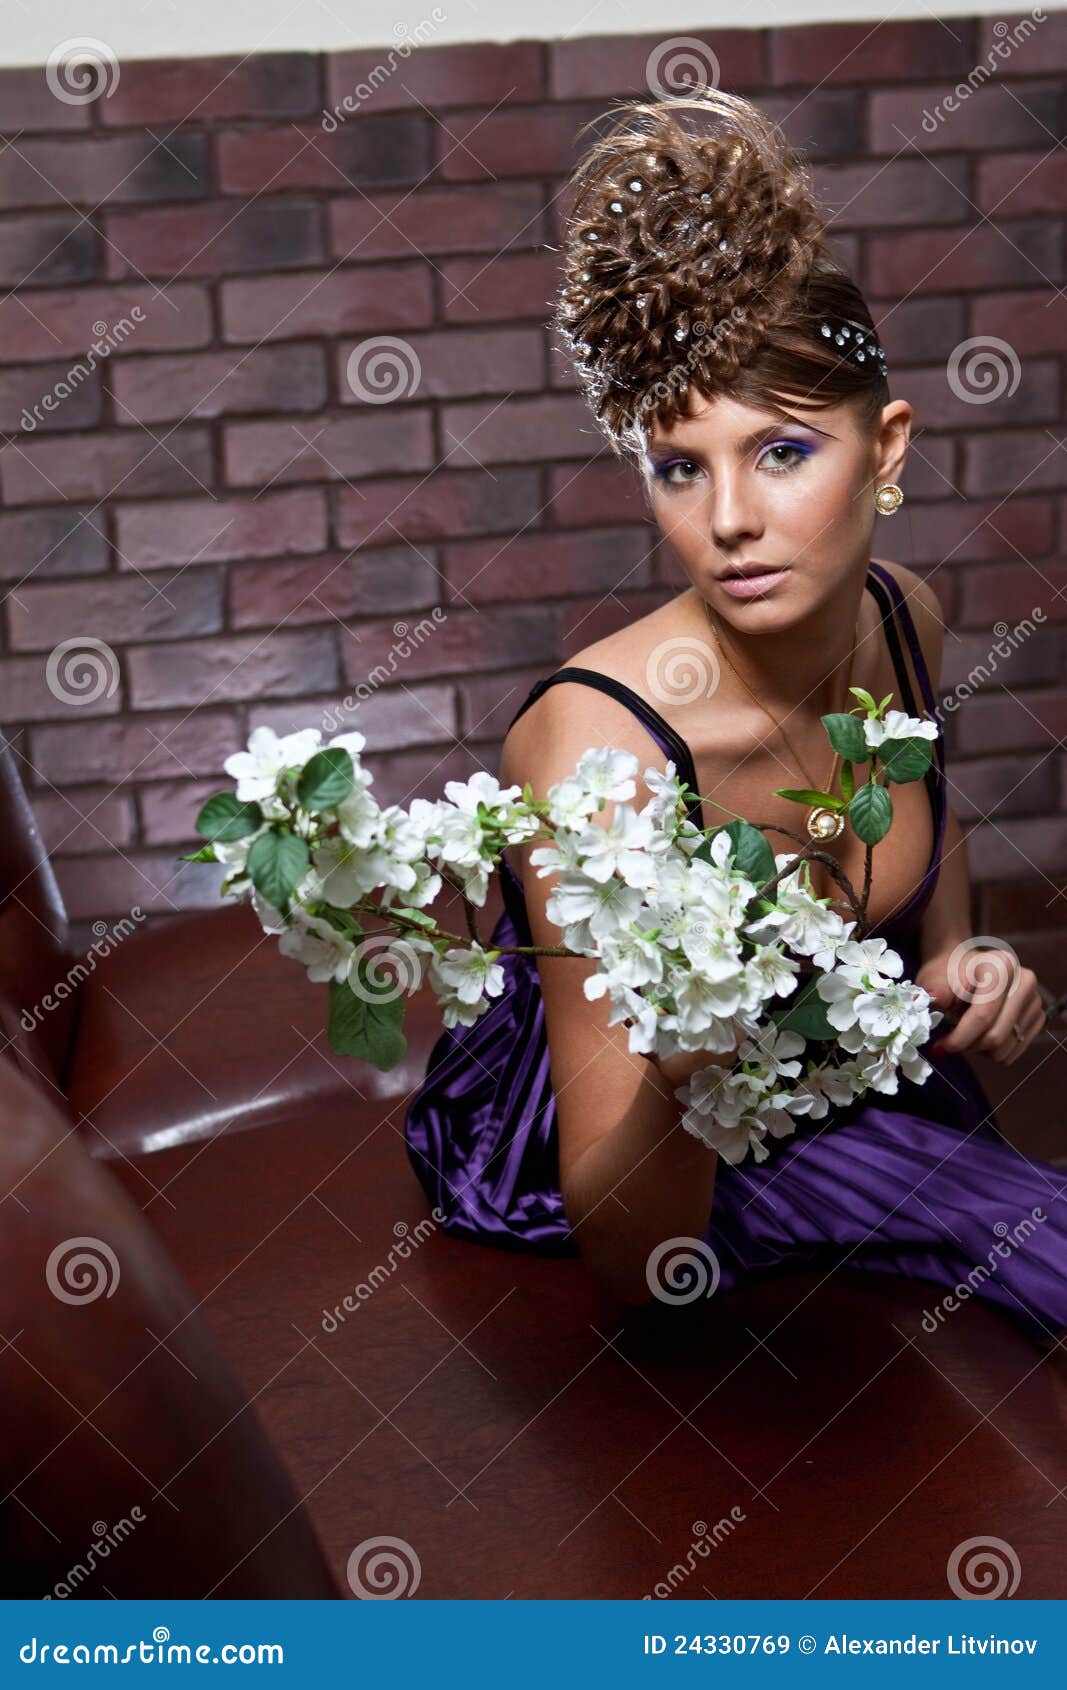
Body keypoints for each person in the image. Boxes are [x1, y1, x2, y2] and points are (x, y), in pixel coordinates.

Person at [404, 89, 1067, 1356]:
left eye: (778, 452)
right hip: (613, 1145)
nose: (726, 522)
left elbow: (922, 850)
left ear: (884, 448)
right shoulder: (596, 752)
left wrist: (961, 959)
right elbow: (632, 1259)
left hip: (828, 1064)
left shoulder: (902, 615)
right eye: (677, 466)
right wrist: (682, 1070)